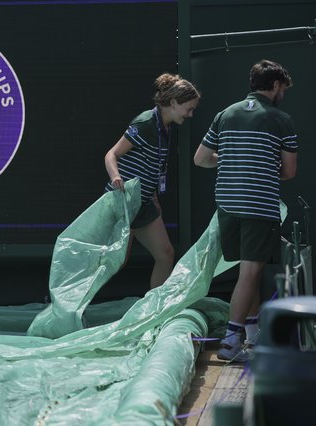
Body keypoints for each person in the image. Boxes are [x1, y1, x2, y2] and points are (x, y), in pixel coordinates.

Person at [194, 59, 297, 362]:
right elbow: (289, 172)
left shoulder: (225, 114)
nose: (283, 94)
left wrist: (231, 160)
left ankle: (252, 334)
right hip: (259, 206)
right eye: (283, 89)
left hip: (227, 204)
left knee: (245, 272)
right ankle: (230, 342)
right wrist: (262, 165)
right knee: (252, 272)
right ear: (276, 85)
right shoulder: (282, 119)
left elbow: (201, 158)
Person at [104, 73, 200, 289]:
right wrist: (116, 177)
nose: (191, 114)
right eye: (189, 108)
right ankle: (73, 307)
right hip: (124, 203)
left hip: (144, 204)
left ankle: (153, 312)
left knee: (166, 255)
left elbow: (152, 167)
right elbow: (111, 155)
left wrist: (153, 196)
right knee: (115, 262)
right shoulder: (146, 122)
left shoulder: (167, 127)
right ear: (174, 103)